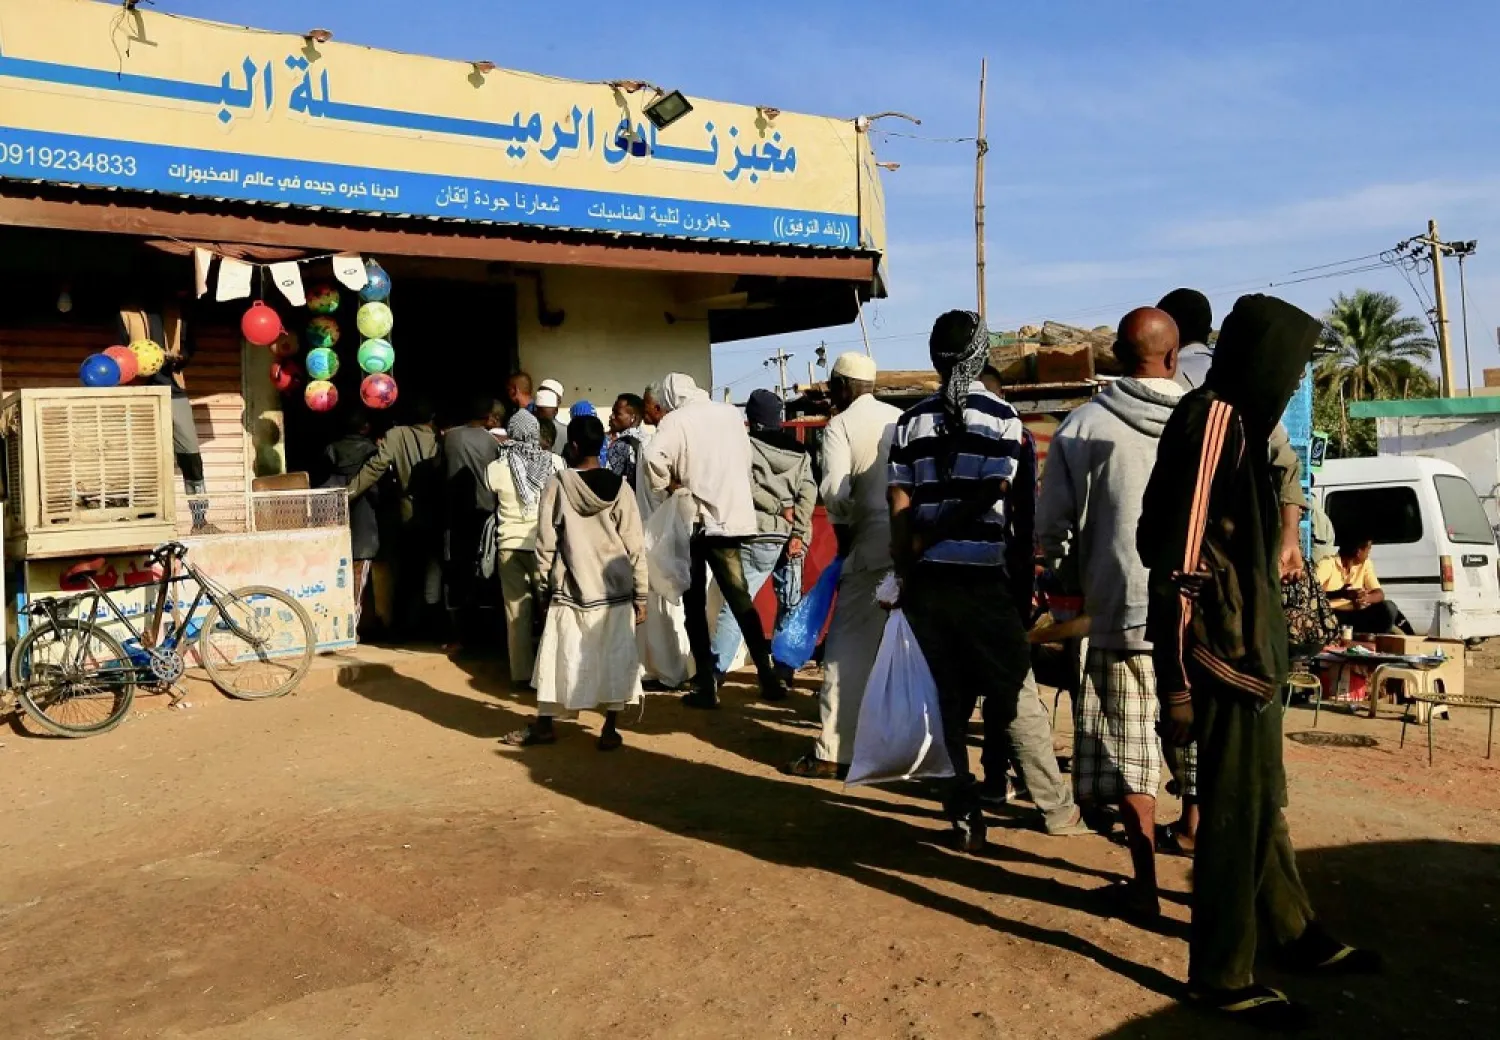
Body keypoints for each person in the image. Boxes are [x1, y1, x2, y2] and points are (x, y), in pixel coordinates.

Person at [1140, 294, 1379, 1028]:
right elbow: (1175, 561)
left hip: (1250, 659)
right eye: (1290, 361)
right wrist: (1177, 681)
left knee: (1259, 808)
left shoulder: (1239, 421)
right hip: (1220, 660)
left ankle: (1292, 930)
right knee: (1233, 821)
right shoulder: (1212, 421)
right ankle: (1220, 973)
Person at [1038, 306, 1197, 921]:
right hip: (1197, 622)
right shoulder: (1211, 420)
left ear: (1115, 360)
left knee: (1131, 757)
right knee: (1198, 751)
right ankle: (1198, 853)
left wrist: (1071, 578)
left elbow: (1052, 531)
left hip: (1118, 616)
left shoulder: (1082, 426)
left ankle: (1146, 888)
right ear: (1174, 354)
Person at [889, 310, 1041, 853]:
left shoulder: (910, 422)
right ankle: (1038, 795)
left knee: (946, 704)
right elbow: (1004, 499)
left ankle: (964, 805)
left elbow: (898, 502)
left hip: (928, 588)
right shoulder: (1002, 418)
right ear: (980, 355)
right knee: (1012, 689)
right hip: (983, 583)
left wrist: (907, 561)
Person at [782, 353, 900, 778]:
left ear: (844, 386)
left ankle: (834, 750)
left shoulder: (841, 426)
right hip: (910, 549)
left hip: (868, 549)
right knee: (898, 652)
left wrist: (846, 531)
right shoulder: (898, 418)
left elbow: (834, 491)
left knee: (846, 652)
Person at [502, 416, 647, 750]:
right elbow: (636, 546)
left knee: (557, 657)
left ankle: (545, 725)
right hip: (615, 591)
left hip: (571, 590)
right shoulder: (620, 487)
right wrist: (641, 595)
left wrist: (541, 587)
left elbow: (545, 543)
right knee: (615, 657)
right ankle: (609, 729)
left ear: (574, 446)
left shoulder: (558, 484)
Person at [644, 373, 788, 707]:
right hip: (733, 519)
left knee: (693, 605)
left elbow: (653, 457)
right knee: (741, 601)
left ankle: (707, 688)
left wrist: (669, 485)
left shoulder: (675, 420)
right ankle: (768, 679)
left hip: (697, 521)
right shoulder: (729, 414)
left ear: (669, 396)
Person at [1158, 288, 1308, 583]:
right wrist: (1290, 538)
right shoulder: (1230, 402)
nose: (1295, 382)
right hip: (1231, 580)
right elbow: (1286, 463)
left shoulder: (1179, 386)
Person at [710, 389, 815, 678]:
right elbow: (808, 493)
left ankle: (715, 674)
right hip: (789, 539)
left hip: (755, 534)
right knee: (789, 604)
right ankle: (784, 672)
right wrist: (799, 534)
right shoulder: (800, 452)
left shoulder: (746, 446)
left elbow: (744, 486)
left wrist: (775, 507)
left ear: (752, 419)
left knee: (737, 607)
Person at [349, 397, 444, 641]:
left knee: (408, 571)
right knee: (435, 568)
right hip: (438, 513)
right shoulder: (441, 437)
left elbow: (375, 467)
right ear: (432, 418)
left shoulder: (395, 435)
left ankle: (405, 627)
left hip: (407, 512)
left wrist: (347, 494)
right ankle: (434, 624)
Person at [488, 410, 566, 685]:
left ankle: (521, 674)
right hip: (545, 545)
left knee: (516, 613)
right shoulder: (554, 463)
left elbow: (490, 490)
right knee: (551, 609)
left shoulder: (498, 466)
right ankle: (550, 673)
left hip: (509, 545)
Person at [443, 395, 504, 651]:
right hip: (485, 514)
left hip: (455, 516)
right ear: (488, 415)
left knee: (457, 572)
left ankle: (460, 635)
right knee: (485, 571)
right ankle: (487, 635)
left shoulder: (449, 437)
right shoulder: (492, 443)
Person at [322, 410, 382, 630]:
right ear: (365, 428)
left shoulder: (330, 451)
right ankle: (352, 628)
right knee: (359, 578)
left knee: (339, 576)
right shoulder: (373, 454)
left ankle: (347, 625)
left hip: (335, 524)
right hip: (365, 525)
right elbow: (377, 493)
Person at [1316, 534, 1413, 635]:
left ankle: (1369, 638)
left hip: (1356, 614)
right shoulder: (1327, 564)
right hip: (1331, 615)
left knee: (1388, 607)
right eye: (1368, 550)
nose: (1368, 554)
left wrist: (1364, 599)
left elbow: (1379, 593)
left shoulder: (1365, 564)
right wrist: (1340, 594)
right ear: (1358, 552)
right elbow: (1310, 594)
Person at [605, 393, 648, 487]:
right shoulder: (647, 439)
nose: (612, 417)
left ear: (633, 418)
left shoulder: (621, 444)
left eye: (617, 413)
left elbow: (609, 480)